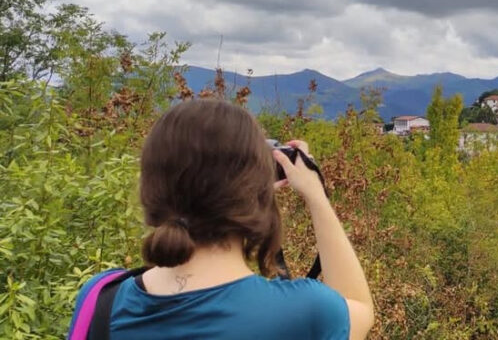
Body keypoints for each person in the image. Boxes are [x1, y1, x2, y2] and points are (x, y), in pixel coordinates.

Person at [71, 100, 375, 339]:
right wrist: (315, 195)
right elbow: (358, 308)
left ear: (151, 187)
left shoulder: (101, 297)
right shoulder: (303, 312)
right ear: (252, 196)